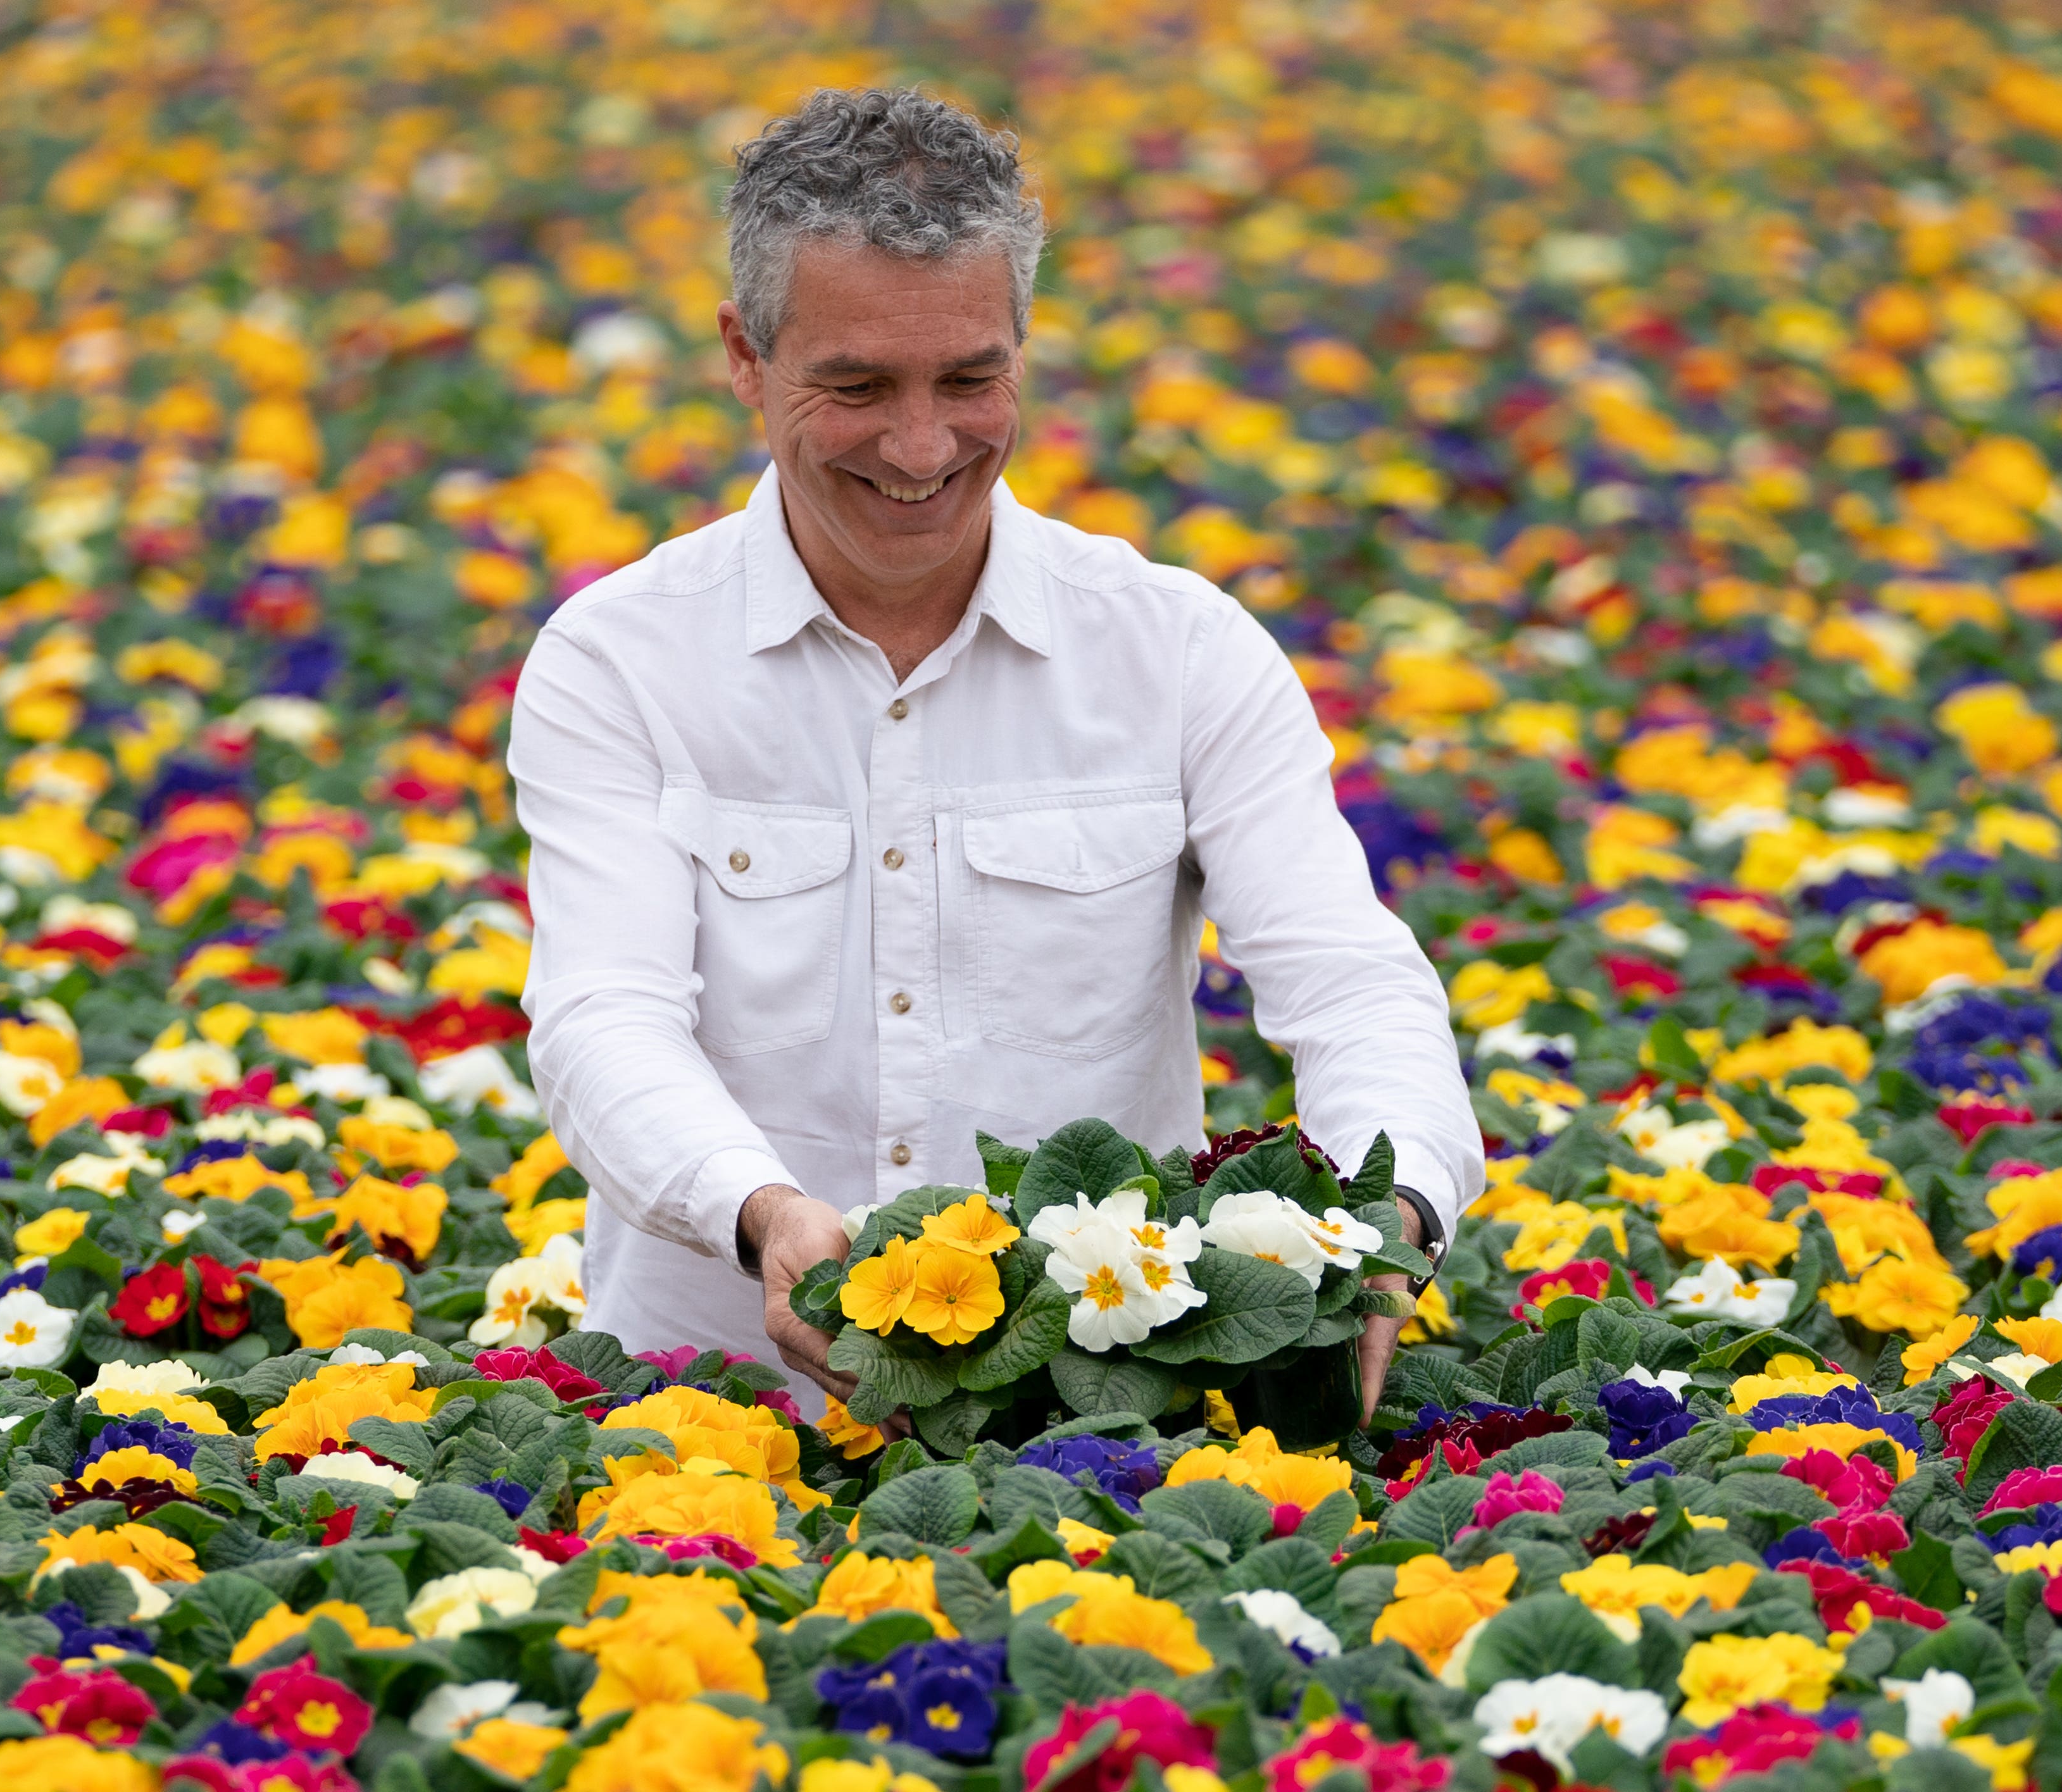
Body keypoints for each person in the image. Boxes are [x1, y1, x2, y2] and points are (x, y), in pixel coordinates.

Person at [511, 86, 1481, 1416]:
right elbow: (600, 1016)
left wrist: (1392, 1222)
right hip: (703, 1421)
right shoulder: (619, 660)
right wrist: (765, 1215)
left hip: (1097, 1418)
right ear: (745, 356)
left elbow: (1352, 985)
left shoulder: (1179, 648)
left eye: (971, 379)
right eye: (855, 386)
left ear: (1021, 345)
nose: (922, 446)